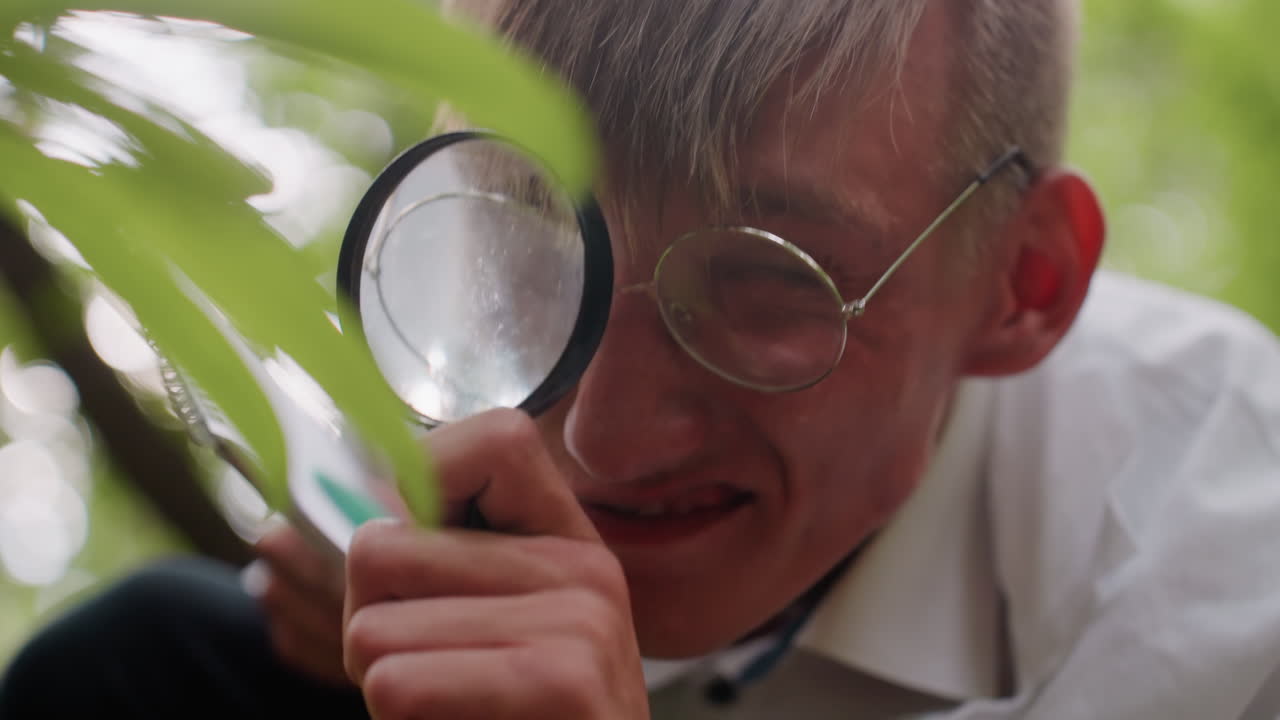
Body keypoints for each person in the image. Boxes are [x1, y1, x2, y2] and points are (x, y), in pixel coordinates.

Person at [4, 0, 1280, 718]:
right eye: (525, 250)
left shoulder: (1215, 581)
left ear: (1022, 285)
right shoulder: (445, 362)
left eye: (772, 280)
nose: (599, 443)